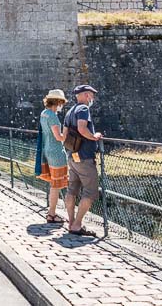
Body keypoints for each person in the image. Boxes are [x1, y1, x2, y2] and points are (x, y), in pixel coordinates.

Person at [63, 84, 103, 237]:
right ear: (86, 95)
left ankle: (71, 221)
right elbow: (81, 128)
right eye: (91, 95)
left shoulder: (69, 112)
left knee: (72, 189)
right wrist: (94, 136)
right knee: (90, 191)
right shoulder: (83, 109)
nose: (92, 98)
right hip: (85, 156)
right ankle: (77, 224)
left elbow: (64, 135)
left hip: (72, 156)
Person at [34, 90, 68, 224]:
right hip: (56, 152)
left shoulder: (44, 114)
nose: (62, 105)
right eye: (61, 103)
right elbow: (58, 137)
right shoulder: (52, 116)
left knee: (54, 183)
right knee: (57, 184)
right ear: (57, 102)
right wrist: (67, 132)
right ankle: (52, 214)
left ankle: (52, 212)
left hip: (47, 150)